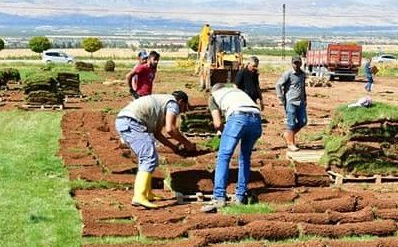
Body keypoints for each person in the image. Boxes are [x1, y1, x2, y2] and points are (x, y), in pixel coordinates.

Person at [114, 91, 196, 208]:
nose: (180, 112)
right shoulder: (173, 104)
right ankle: (139, 196)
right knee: (148, 158)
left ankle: (147, 193)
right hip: (132, 122)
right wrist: (188, 144)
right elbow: (171, 129)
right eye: (183, 108)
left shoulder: (162, 104)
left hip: (128, 121)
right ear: (181, 102)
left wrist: (174, 148)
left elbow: (158, 134)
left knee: (150, 158)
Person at [200, 83, 263, 212]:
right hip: (256, 119)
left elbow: (217, 124)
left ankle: (219, 197)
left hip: (238, 117)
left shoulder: (213, 97)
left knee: (224, 156)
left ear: (213, 91)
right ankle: (241, 196)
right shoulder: (237, 91)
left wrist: (225, 133)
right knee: (245, 157)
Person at [275, 55, 307, 152]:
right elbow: (278, 85)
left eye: (298, 63)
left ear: (301, 63)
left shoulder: (302, 74)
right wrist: (280, 98)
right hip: (290, 102)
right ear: (292, 63)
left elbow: (303, 87)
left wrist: (305, 98)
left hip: (300, 102)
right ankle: (291, 144)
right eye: (295, 63)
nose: (297, 65)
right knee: (291, 123)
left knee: (303, 121)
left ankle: (286, 135)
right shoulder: (288, 74)